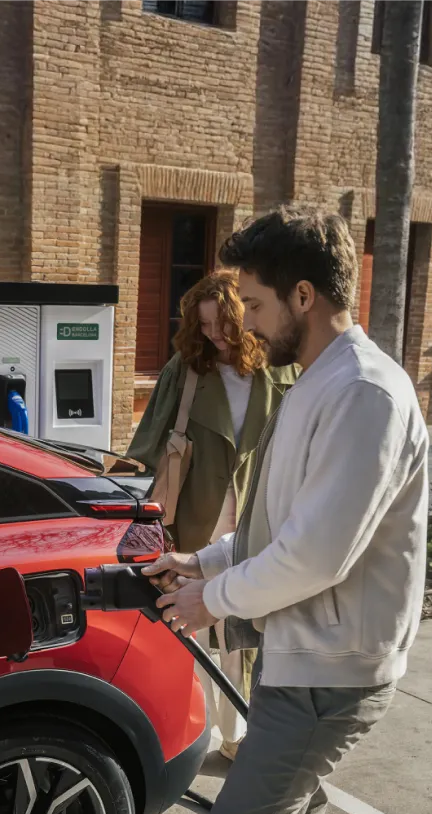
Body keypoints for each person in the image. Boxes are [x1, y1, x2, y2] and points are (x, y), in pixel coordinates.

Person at [145, 206, 429, 814]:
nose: (248, 322)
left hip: (329, 673)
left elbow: (314, 554)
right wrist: (202, 562)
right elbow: (278, 529)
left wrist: (207, 600)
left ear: (304, 296)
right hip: (301, 656)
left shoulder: (362, 391)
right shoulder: (316, 381)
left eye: (259, 303)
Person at [127, 270, 298, 760]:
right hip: (194, 519)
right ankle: (191, 732)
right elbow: (149, 451)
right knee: (191, 632)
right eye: (203, 326)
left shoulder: (282, 372)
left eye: (222, 324)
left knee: (243, 635)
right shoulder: (186, 369)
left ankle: (236, 734)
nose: (213, 335)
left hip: (257, 520)